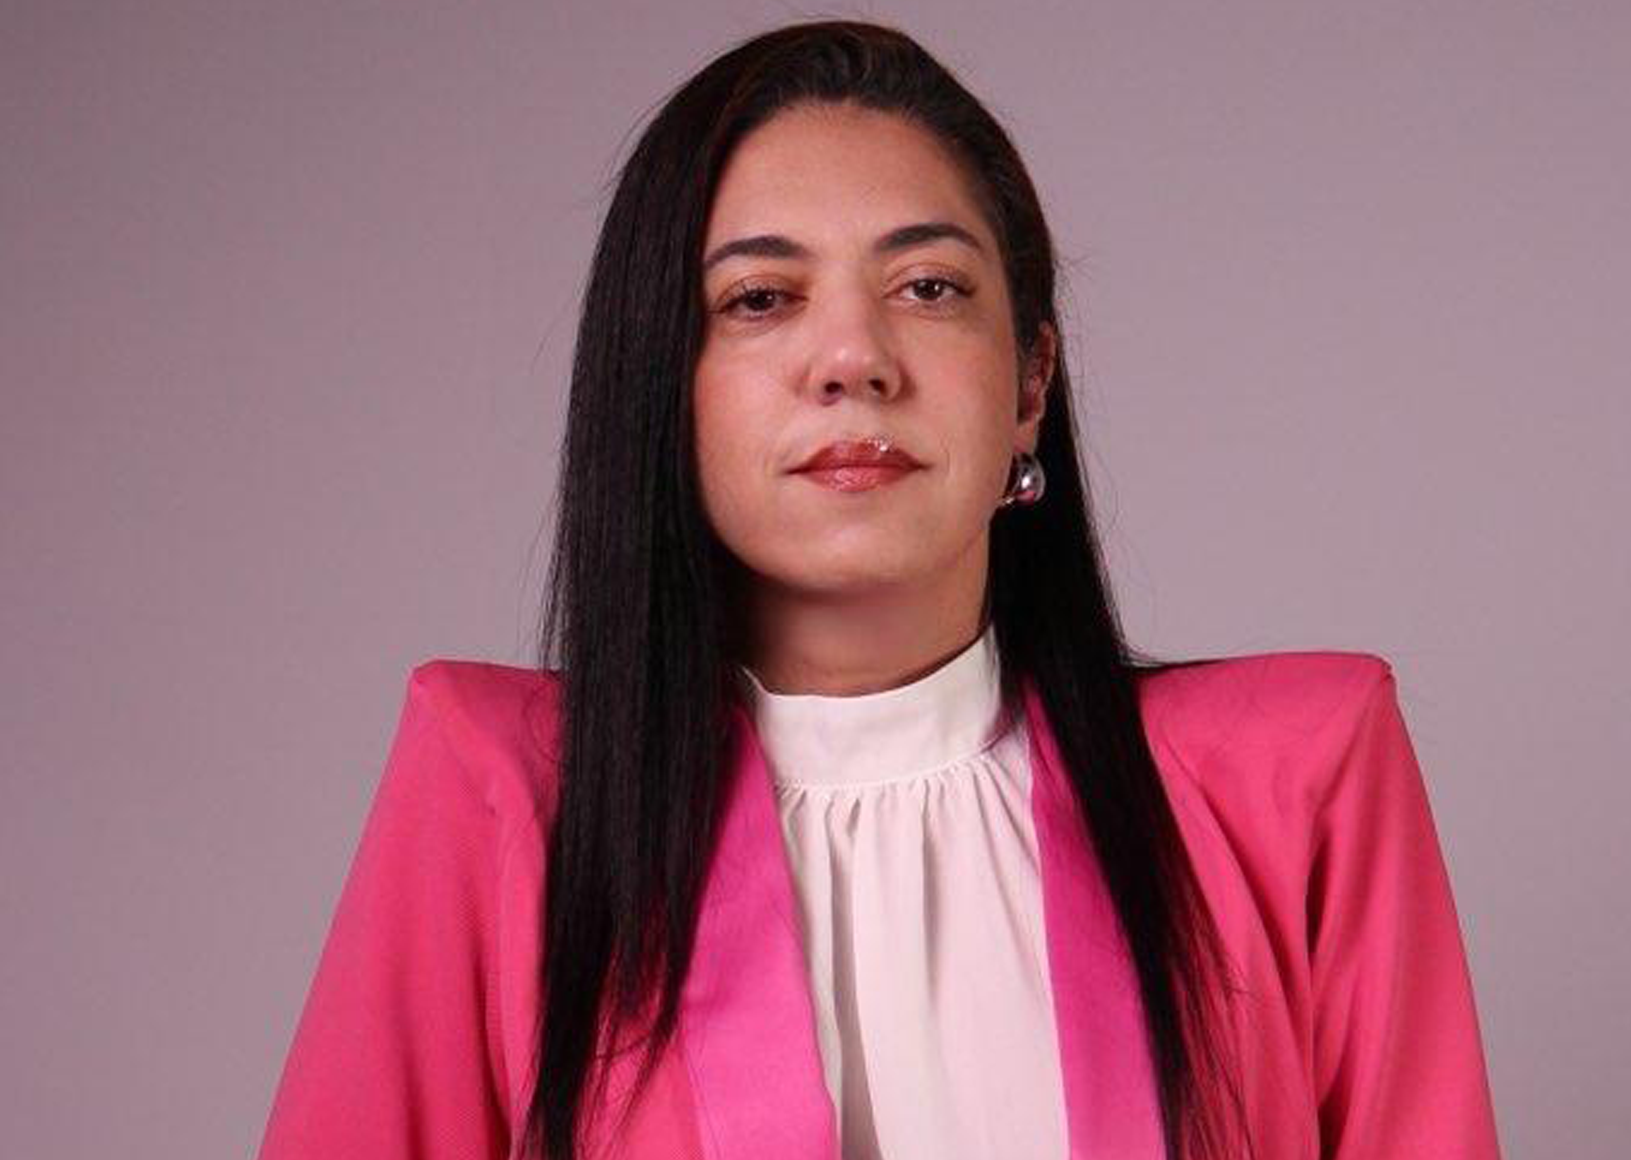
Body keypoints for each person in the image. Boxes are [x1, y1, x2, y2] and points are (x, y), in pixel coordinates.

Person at [255, 18, 1502, 1160]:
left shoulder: (1295, 784)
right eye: (759, 299)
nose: (852, 357)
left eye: (928, 287)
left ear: (1028, 383)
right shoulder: (505, 797)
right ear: (662, 388)